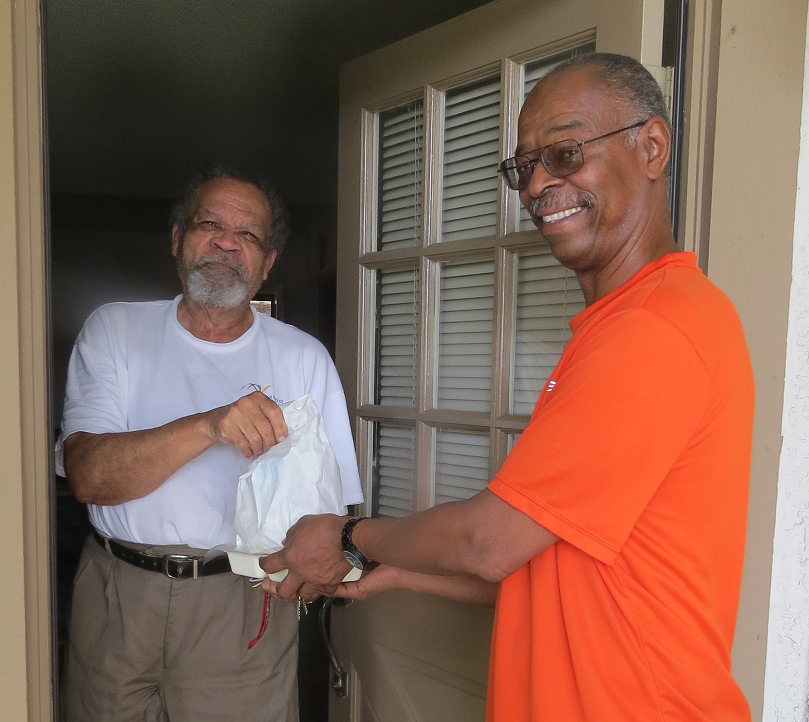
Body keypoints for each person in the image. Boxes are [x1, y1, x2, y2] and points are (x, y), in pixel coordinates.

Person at [260, 53, 755, 722]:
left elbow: (487, 540)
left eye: (565, 151)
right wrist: (402, 571)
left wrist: (349, 538)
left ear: (651, 148)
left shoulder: (653, 330)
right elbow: (547, 560)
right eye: (525, 166)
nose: (537, 184)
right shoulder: (619, 328)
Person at [55, 165, 363, 722]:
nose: (226, 242)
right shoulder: (114, 331)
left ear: (267, 263)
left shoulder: (303, 358)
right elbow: (88, 477)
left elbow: (330, 513)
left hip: (242, 599)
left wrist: (315, 570)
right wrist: (210, 426)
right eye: (210, 224)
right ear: (177, 239)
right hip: (118, 595)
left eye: (248, 236)